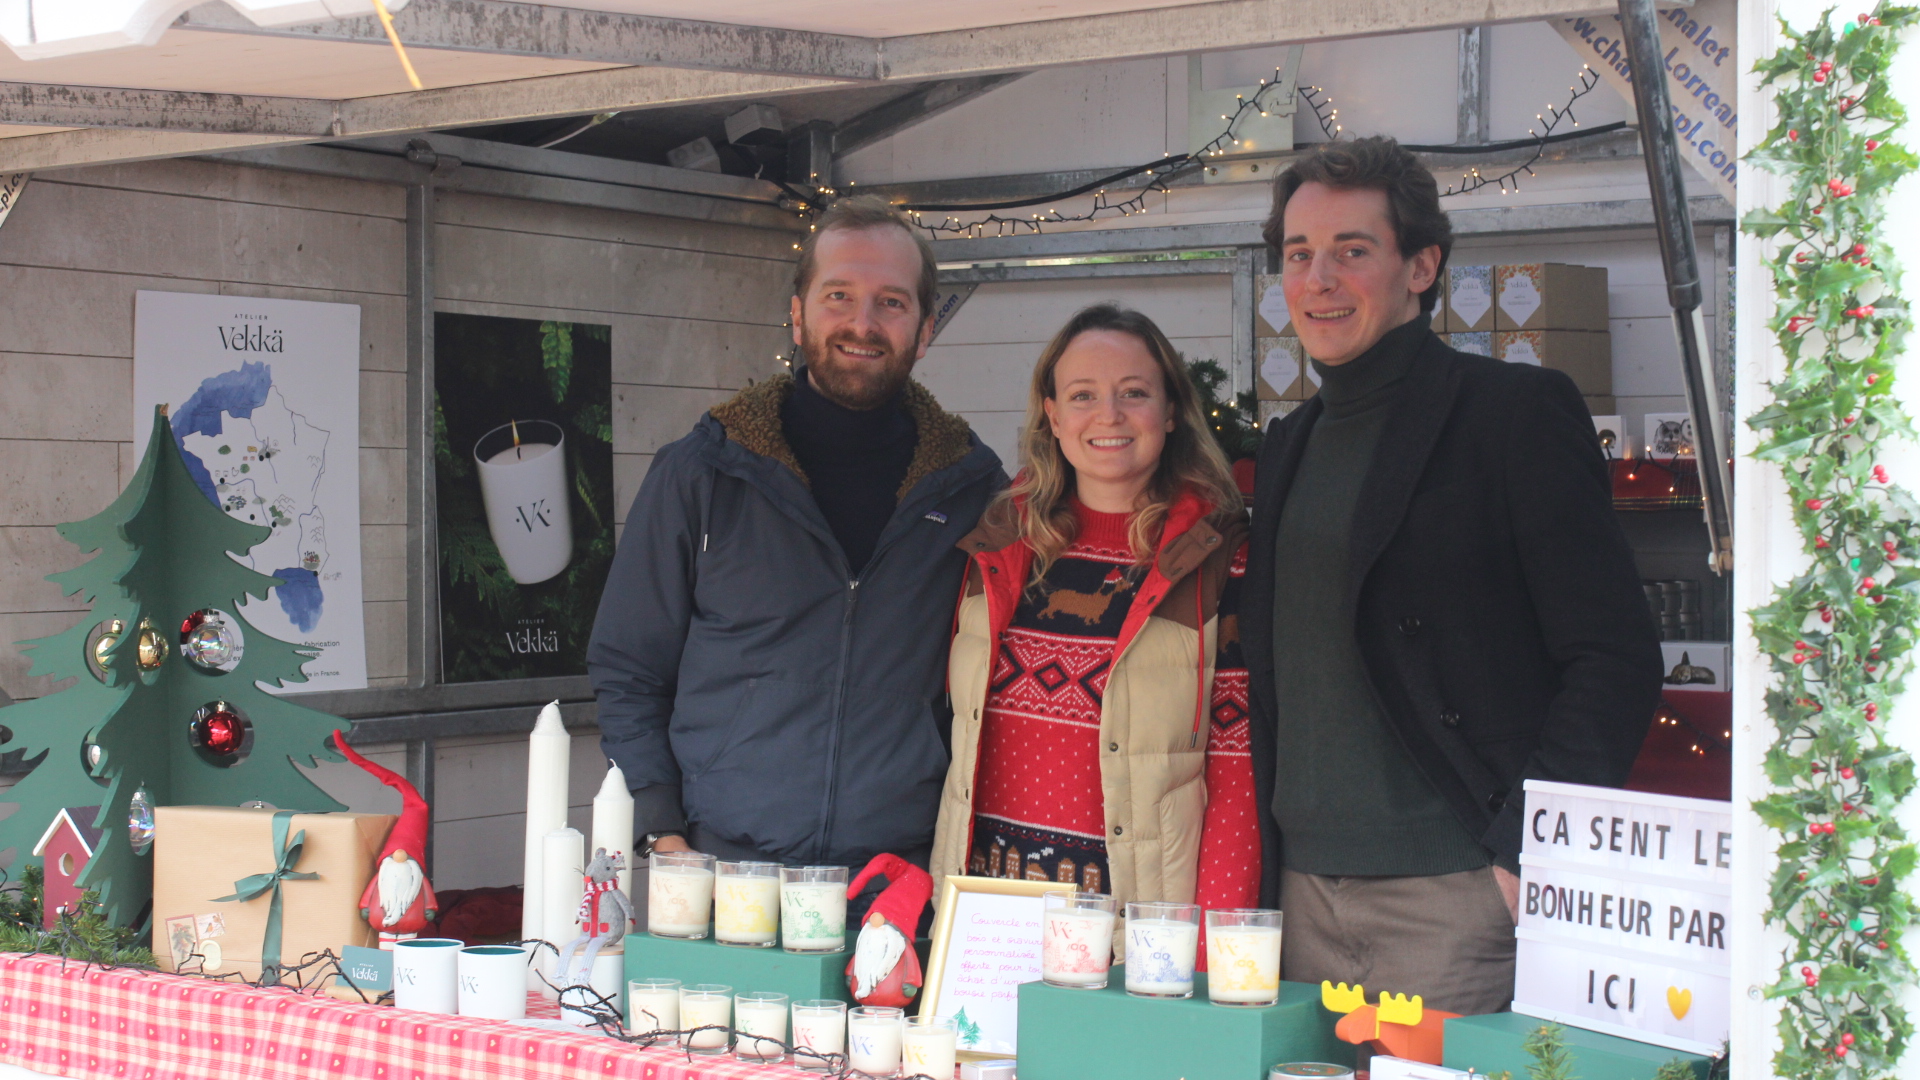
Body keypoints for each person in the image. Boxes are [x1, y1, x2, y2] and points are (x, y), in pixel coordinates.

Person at [1241, 137, 1661, 1014]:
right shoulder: (1289, 445)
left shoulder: (1511, 414)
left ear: (1422, 265)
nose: (1319, 278)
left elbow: (1613, 656)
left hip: (1455, 897)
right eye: (1297, 254)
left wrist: (1522, 856)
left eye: (1352, 251)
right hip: (1300, 896)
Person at [587, 196, 1004, 881]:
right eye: (838, 294)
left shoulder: (971, 492)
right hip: (720, 874)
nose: (862, 323)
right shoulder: (703, 473)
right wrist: (661, 830)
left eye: (891, 302)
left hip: (899, 887)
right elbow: (628, 669)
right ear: (798, 311)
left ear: (925, 328)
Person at [930, 304, 1262, 920]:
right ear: (1052, 415)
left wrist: (1212, 954)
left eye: (1134, 392)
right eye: (1083, 395)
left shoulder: (1218, 560)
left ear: (1170, 411)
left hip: (1132, 926)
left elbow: (1236, 775)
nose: (1108, 415)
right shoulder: (999, 542)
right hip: (987, 914)